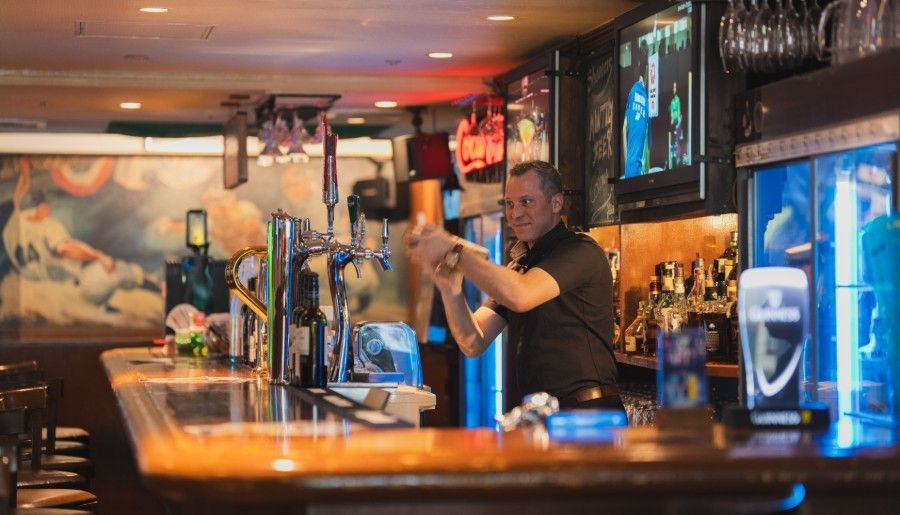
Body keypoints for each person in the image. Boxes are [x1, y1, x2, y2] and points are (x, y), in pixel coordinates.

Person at [405, 160, 623, 411]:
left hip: (589, 414)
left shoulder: (580, 251)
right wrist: (450, 290)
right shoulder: (520, 266)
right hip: (545, 413)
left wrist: (455, 249)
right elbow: (472, 341)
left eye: (526, 202)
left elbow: (521, 295)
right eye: (509, 203)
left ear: (556, 203)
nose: (515, 213)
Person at [2, 158, 153, 309]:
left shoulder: (19, 218)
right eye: (46, 205)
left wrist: (25, 170)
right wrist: (98, 256)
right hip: (70, 289)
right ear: (43, 208)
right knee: (115, 269)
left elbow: (20, 194)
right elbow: (66, 250)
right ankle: (153, 290)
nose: (48, 209)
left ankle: (102, 305)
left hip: (33, 286)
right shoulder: (47, 227)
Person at [622, 43, 650, 179]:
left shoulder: (639, 91)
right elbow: (624, 129)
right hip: (634, 170)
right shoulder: (637, 92)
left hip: (637, 168)